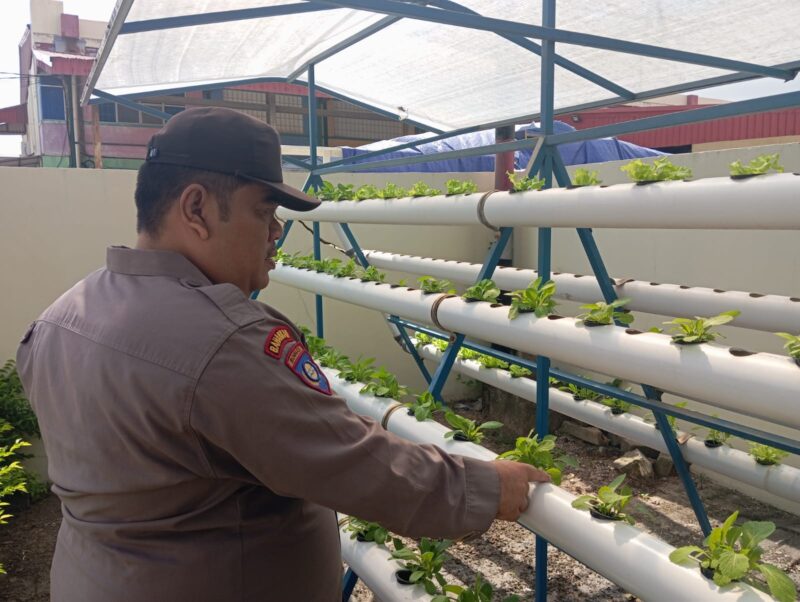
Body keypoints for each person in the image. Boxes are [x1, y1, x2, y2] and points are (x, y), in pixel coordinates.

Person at [16, 107, 549, 602]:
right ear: (196, 208)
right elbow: (358, 467)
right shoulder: (221, 340)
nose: (276, 233)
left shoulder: (61, 317)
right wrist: (484, 485)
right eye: (264, 210)